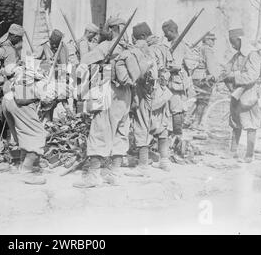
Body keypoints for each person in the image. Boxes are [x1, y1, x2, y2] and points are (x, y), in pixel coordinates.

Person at [73, 17, 131, 188]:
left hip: (109, 89)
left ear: (112, 29)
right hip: (126, 93)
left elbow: (84, 62)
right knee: (121, 130)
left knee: (100, 128)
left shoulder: (106, 46)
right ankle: (114, 174)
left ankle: (93, 176)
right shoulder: (130, 47)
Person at [125, 22, 173, 174]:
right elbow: (169, 68)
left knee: (142, 126)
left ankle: (143, 166)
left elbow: (146, 73)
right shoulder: (163, 47)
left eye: (135, 39)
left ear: (142, 37)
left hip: (146, 92)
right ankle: (164, 161)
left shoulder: (146, 50)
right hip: (162, 91)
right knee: (162, 126)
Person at [1, 63, 54, 185]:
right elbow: (29, 98)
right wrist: (37, 99)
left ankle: (23, 164)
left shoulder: (22, 73)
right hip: (20, 103)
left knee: (23, 134)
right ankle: (26, 172)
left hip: (8, 100)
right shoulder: (32, 74)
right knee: (37, 136)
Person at [221, 28, 261, 163]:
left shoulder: (252, 54)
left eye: (234, 42)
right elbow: (227, 69)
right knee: (235, 122)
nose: (232, 46)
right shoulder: (237, 55)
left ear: (240, 40)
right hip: (237, 93)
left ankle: (249, 155)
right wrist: (226, 74)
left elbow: (252, 76)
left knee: (250, 124)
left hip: (248, 94)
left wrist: (234, 76)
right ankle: (233, 151)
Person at [162, 19, 197, 150]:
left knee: (176, 110)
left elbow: (176, 66)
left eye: (166, 33)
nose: (165, 36)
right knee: (177, 109)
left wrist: (164, 68)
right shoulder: (176, 43)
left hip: (176, 83)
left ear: (172, 31)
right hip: (177, 82)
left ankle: (178, 137)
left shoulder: (178, 45)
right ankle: (176, 135)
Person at [190, 32, 220, 130]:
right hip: (203, 78)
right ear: (206, 40)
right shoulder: (207, 50)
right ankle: (196, 124)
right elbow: (211, 66)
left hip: (195, 77)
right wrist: (216, 77)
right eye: (212, 40)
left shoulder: (199, 48)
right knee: (203, 101)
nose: (213, 42)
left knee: (199, 100)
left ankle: (191, 121)